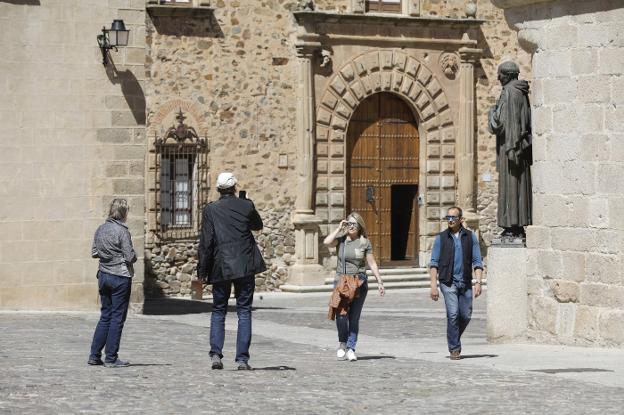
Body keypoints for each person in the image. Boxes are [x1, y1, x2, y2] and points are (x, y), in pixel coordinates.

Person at [197, 172, 266, 370]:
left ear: (218, 189)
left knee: (219, 310)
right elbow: (257, 226)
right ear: (235, 187)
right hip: (244, 265)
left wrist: (202, 269)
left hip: (221, 266)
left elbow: (206, 242)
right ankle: (242, 359)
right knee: (244, 312)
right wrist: (247, 204)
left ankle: (216, 355)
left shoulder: (211, 209)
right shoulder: (246, 205)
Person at [323, 212, 385, 362]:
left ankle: (351, 348)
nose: (351, 226)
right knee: (341, 315)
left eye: (354, 224)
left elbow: (371, 263)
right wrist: (339, 229)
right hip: (341, 283)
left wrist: (379, 281)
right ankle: (342, 342)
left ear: (360, 227)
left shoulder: (365, 243)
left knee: (354, 318)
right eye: (349, 223)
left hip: (359, 282)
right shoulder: (341, 240)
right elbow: (326, 242)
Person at [429, 206, 483, 360]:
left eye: (453, 217)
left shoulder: (470, 237)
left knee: (465, 315)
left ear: (461, 220)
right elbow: (433, 263)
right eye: (448, 217)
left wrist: (478, 282)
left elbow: (477, 261)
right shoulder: (441, 238)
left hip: (465, 282)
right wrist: (434, 286)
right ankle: (454, 348)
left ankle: (453, 336)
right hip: (448, 282)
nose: (450, 220)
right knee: (453, 314)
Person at [88, 198, 137, 368]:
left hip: (103, 275)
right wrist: (131, 256)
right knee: (117, 317)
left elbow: (94, 252)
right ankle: (111, 357)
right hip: (120, 276)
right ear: (123, 212)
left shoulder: (100, 229)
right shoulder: (122, 231)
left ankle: (94, 355)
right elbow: (130, 256)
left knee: (105, 316)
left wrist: (107, 255)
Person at [488, 60, 533, 238]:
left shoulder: (508, 92)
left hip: (510, 149)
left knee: (510, 187)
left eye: (500, 74)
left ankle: (511, 227)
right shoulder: (522, 92)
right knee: (520, 186)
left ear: (507, 75)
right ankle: (519, 225)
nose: (498, 77)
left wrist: (492, 111)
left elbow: (499, 123)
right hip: (521, 148)